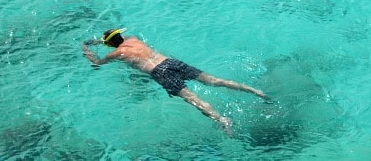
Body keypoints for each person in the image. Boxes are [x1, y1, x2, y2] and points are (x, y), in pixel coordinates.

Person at [82, 28, 268, 134]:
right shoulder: (134, 39)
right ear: (121, 35)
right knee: (213, 80)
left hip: (159, 72)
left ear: (109, 44)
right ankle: (254, 91)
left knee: (192, 99)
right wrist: (103, 40)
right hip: (169, 62)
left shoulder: (117, 53)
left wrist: (87, 49)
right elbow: (117, 40)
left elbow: (98, 63)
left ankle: (222, 120)